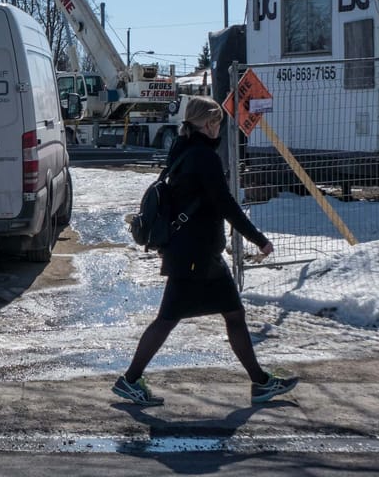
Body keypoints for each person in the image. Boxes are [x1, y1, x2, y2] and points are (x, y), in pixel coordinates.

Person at [112, 95, 299, 407]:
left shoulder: (183, 149)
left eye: (217, 122)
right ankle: (129, 380)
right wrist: (258, 239)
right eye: (210, 122)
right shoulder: (203, 157)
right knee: (168, 319)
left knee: (233, 315)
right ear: (198, 122)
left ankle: (261, 382)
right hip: (195, 257)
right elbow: (225, 204)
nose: (215, 127)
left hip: (198, 253)